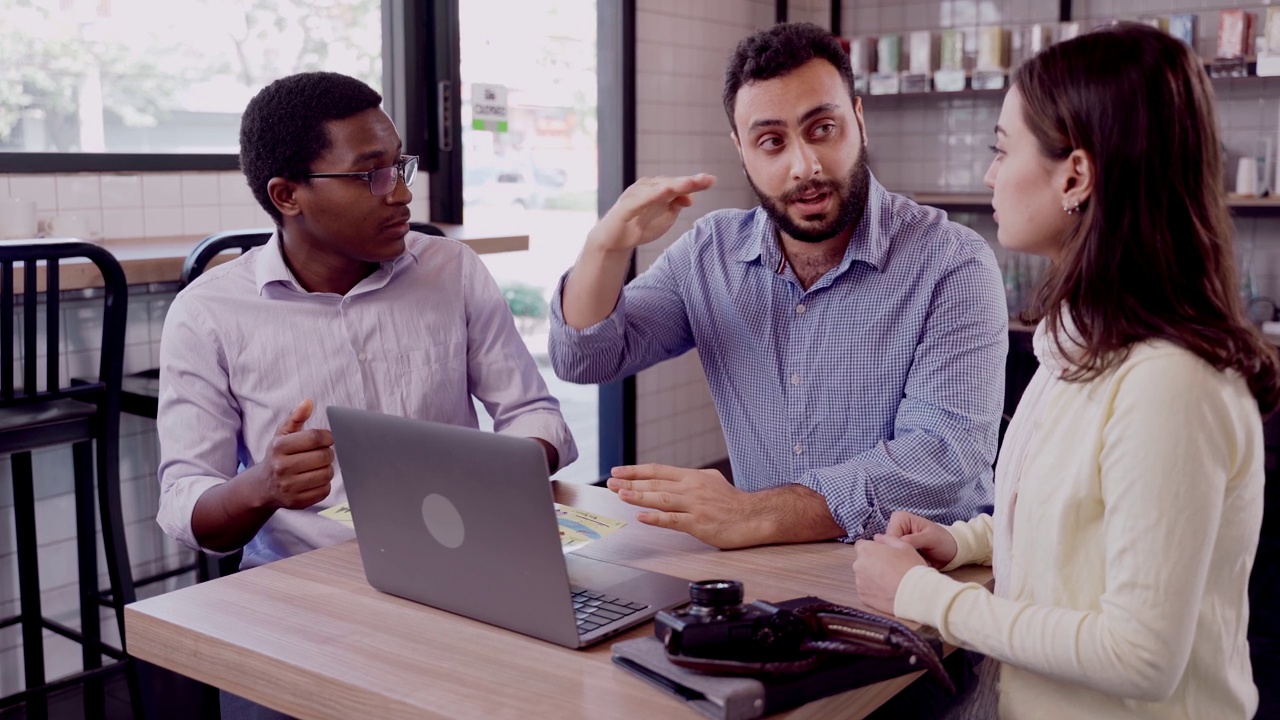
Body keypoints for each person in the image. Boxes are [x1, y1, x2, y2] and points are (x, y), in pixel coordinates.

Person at [852, 23, 1277, 719]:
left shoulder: (1170, 382)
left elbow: (1139, 654)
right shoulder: (1081, 343)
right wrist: (959, 543)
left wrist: (924, 597)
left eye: (1001, 149)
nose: (989, 174)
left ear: (1075, 175)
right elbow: (1076, 515)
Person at [549, 22, 1007, 549]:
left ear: (858, 120)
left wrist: (756, 514)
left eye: (822, 129)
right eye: (771, 142)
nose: (803, 166)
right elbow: (585, 359)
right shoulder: (711, 253)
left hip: (924, 571)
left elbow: (943, 454)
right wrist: (606, 249)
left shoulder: (953, 262)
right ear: (741, 151)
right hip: (768, 566)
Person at [156, 71, 576, 570]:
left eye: (400, 167)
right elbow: (187, 503)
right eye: (371, 175)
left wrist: (497, 475)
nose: (401, 195)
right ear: (288, 196)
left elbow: (533, 412)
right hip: (309, 587)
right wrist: (262, 486)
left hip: (460, 559)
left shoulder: (451, 270)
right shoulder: (207, 314)